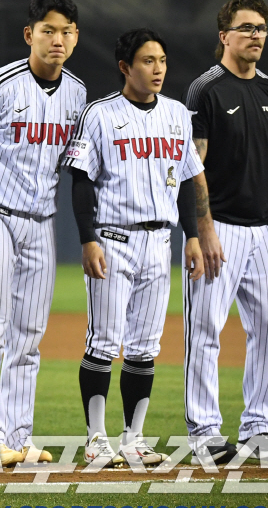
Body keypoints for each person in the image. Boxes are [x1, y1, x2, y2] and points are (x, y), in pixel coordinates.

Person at [63, 29, 205, 468]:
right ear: (125, 67)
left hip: (160, 241)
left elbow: (184, 182)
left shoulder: (179, 114)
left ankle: (135, 438)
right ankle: (95, 439)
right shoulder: (100, 114)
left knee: (145, 346)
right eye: (147, 60)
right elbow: (82, 180)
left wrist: (194, 235)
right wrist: (88, 238)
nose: (157, 68)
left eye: (161, 59)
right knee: (104, 342)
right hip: (113, 239)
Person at [0, 0, 86, 468]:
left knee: (28, 335)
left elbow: (76, 167)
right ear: (29, 34)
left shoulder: (76, 93)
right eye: (49, 30)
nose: (59, 39)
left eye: (67, 30)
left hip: (40, 222)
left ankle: (16, 434)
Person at [183, 0, 268, 465]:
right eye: (246, 28)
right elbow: (192, 166)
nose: (256, 36)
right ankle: (204, 431)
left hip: (263, 232)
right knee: (205, 330)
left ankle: (258, 427)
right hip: (219, 227)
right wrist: (203, 230)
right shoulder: (206, 90)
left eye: (261, 28)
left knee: (267, 329)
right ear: (224, 36)